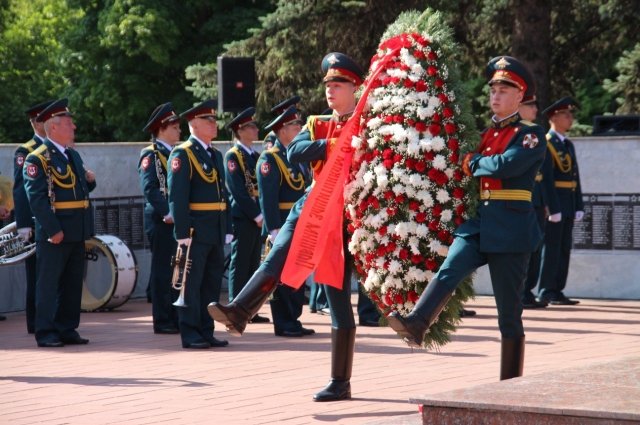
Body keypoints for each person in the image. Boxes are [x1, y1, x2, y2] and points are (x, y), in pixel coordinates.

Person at [209, 52, 366, 401]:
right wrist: (330, 145)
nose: (330, 91)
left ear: (355, 88)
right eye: (328, 85)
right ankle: (241, 309)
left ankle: (341, 381)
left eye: (338, 85)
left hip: (344, 217)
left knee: (339, 300)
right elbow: (294, 152)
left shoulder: (367, 123)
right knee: (278, 252)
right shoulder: (318, 123)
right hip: (312, 206)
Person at [386, 56, 546, 381]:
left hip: (511, 229)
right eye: (494, 90)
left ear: (520, 96)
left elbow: (505, 166)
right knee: (449, 269)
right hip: (479, 224)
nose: (496, 95)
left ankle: (511, 381)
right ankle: (418, 322)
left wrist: (473, 164)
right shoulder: (486, 135)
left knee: (509, 315)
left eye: (505, 90)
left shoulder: (530, 135)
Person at [23, 98, 96, 347]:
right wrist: (53, 229)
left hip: (77, 228)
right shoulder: (38, 159)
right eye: (68, 123)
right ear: (52, 127)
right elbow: (38, 199)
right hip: (56, 230)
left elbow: (81, 188)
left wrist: (90, 181)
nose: (73, 127)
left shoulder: (71, 155)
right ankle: (45, 331)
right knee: (49, 283)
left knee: (72, 283)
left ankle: (67, 328)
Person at [167, 99, 232, 349]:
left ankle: (206, 329)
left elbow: (222, 196)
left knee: (211, 283)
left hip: (214, 229)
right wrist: (182, 232)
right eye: (208, 120)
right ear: (193, 123)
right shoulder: (182, 154)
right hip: (194, 230)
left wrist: (226, 228)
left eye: (214, 119)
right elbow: (178, 196)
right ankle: (191, 332)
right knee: (190, 284)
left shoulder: (214, 154)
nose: (214, 124)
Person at [257, 105, 315, 337]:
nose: (300, 128)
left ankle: (293, 319)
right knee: (281, 278)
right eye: (295, 125)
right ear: (282, 131)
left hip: (300, 224)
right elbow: (267, 198)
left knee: (296, 275)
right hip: (281, 224)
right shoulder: (270, 159)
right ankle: (283, 322)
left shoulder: (297, 156)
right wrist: (273, 229)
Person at [223, 107, 270, 324]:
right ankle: (236, 305)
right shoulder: (234, 156)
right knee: (240, 262)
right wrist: (256, 215)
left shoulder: (255, 155)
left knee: (253, 264)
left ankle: (250, 308)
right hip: (244, 217)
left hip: (257, 217)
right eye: (250, 126)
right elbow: (238, 191)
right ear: (240, 131)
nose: (255, 129)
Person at [139, 102, 181, 334]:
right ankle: (162, 319)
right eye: (175, 127)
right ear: (162, 128)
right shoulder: (151, 154)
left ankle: (174, 316)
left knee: (176, 270)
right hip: (161, 220)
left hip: (176, 220)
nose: (179, 131)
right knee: (163, 270)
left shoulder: (175, 153)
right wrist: (168, 211)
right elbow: (150, 188)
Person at [13, 100, 54, 333]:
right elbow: (20, 190)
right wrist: (24, 224)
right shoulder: (26, 151)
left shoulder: (57, 148)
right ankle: (34, 322)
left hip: (56, 218)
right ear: (38, 122)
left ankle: (52, 319)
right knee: (36, 274)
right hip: (37, 222)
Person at [537, 97, 583, 306]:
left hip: (569, 202)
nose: (570, 118)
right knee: (552, 247)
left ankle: (557, 289)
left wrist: (579, 205)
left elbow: (575, 178)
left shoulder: (568, 144)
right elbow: (546, 179)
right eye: (566, 114)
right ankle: (546, 289)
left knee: (564, 247)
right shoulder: (547, 144)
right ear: (554, 117)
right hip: (555, 202)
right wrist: (551, 207)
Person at [519, 94, 561, 309]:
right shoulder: (521, 133)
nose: (535, 109)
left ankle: (527, 291)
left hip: (537, 201)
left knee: (535, 247)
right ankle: (522, 291)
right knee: (527, 248)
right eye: (531, 105)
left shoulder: (534, 134)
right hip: (525, 200)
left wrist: (549, 204)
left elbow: (545, 174)